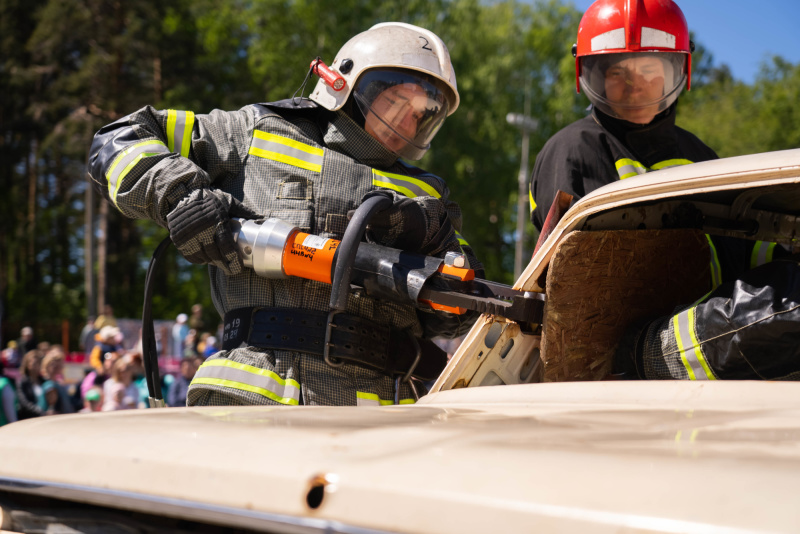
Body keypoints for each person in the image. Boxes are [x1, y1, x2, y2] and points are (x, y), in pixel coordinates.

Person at [88, 22, 481, 407]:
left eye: (422, 114)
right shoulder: (256, 132)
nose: (406, 122)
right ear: (345, 82)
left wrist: (435, 251)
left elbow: (462, 306)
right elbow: (120, 137)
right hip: (255, 399)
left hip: (384, 415)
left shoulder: (427, 192)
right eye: (396, 102)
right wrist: (179, 196)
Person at [531, 0, 799, 381]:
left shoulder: (701, 155)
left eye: (650, 69)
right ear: (590, 75)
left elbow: (742, 245)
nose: (635, 82)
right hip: (621, 361)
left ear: (679, 71)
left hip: (720, 348)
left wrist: (787, 251)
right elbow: (582, 278)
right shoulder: (574, 149)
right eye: (618, 70)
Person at [16, 350, 44, 419]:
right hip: (29, 419)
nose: (36, 366)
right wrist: (41, 412)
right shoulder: (22, 382)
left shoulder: (44, 381)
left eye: (38, 363)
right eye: (34, 363)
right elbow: (24, 403)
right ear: (27, 365)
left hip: (44, 418)